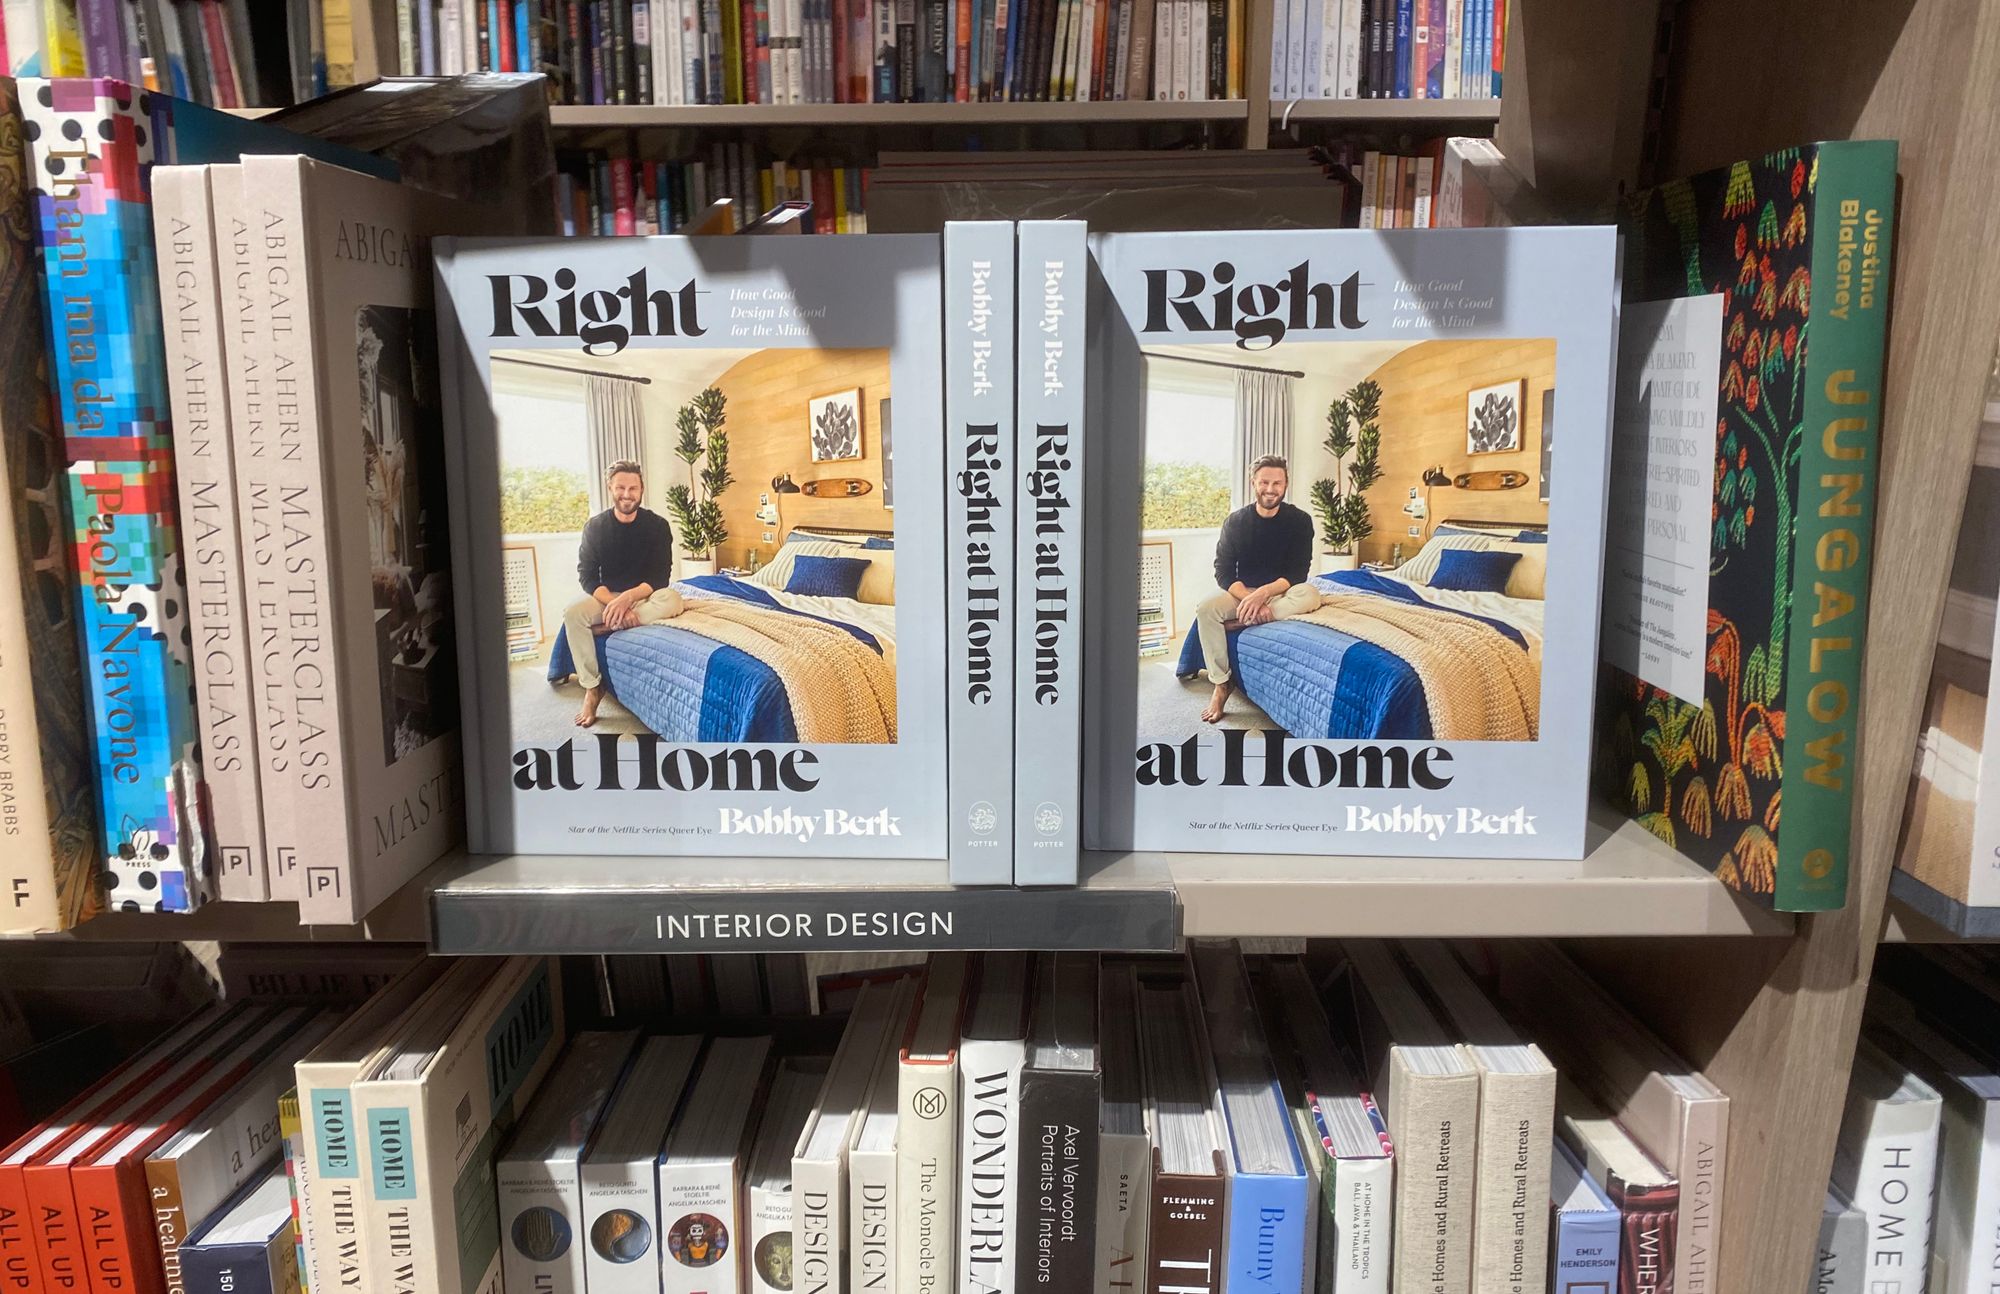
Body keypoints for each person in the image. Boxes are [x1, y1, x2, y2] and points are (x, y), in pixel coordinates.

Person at [1193, 454, 1322, 723]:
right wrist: (1252, 598)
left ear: (1286, 484)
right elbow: (1223, 570)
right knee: (1206, 607)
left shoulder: (1300, 521)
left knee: (1311, 595)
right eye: (1264, 482)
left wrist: (1264, 595)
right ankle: (1221, 684)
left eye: (1277, 483)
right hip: (1241, 592)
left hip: (1278, 591)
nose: (1271, 489)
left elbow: (1298, 572)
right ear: (1253, 482)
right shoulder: (1235, 522)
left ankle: (1242, 622)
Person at [564, 459, 683, 727]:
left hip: (642, 595)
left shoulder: (658, 526)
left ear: (642, 489)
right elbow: (588, 576)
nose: (627, 494)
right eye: (620, 488)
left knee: (674, 599)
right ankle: (592, 687)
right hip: (606, 596)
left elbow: (660, 576)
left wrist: (628, 600)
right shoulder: (595, 527)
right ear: (610, 488)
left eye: (633, 488)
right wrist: (616, 602)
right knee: (572, 613)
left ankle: (608, 626)